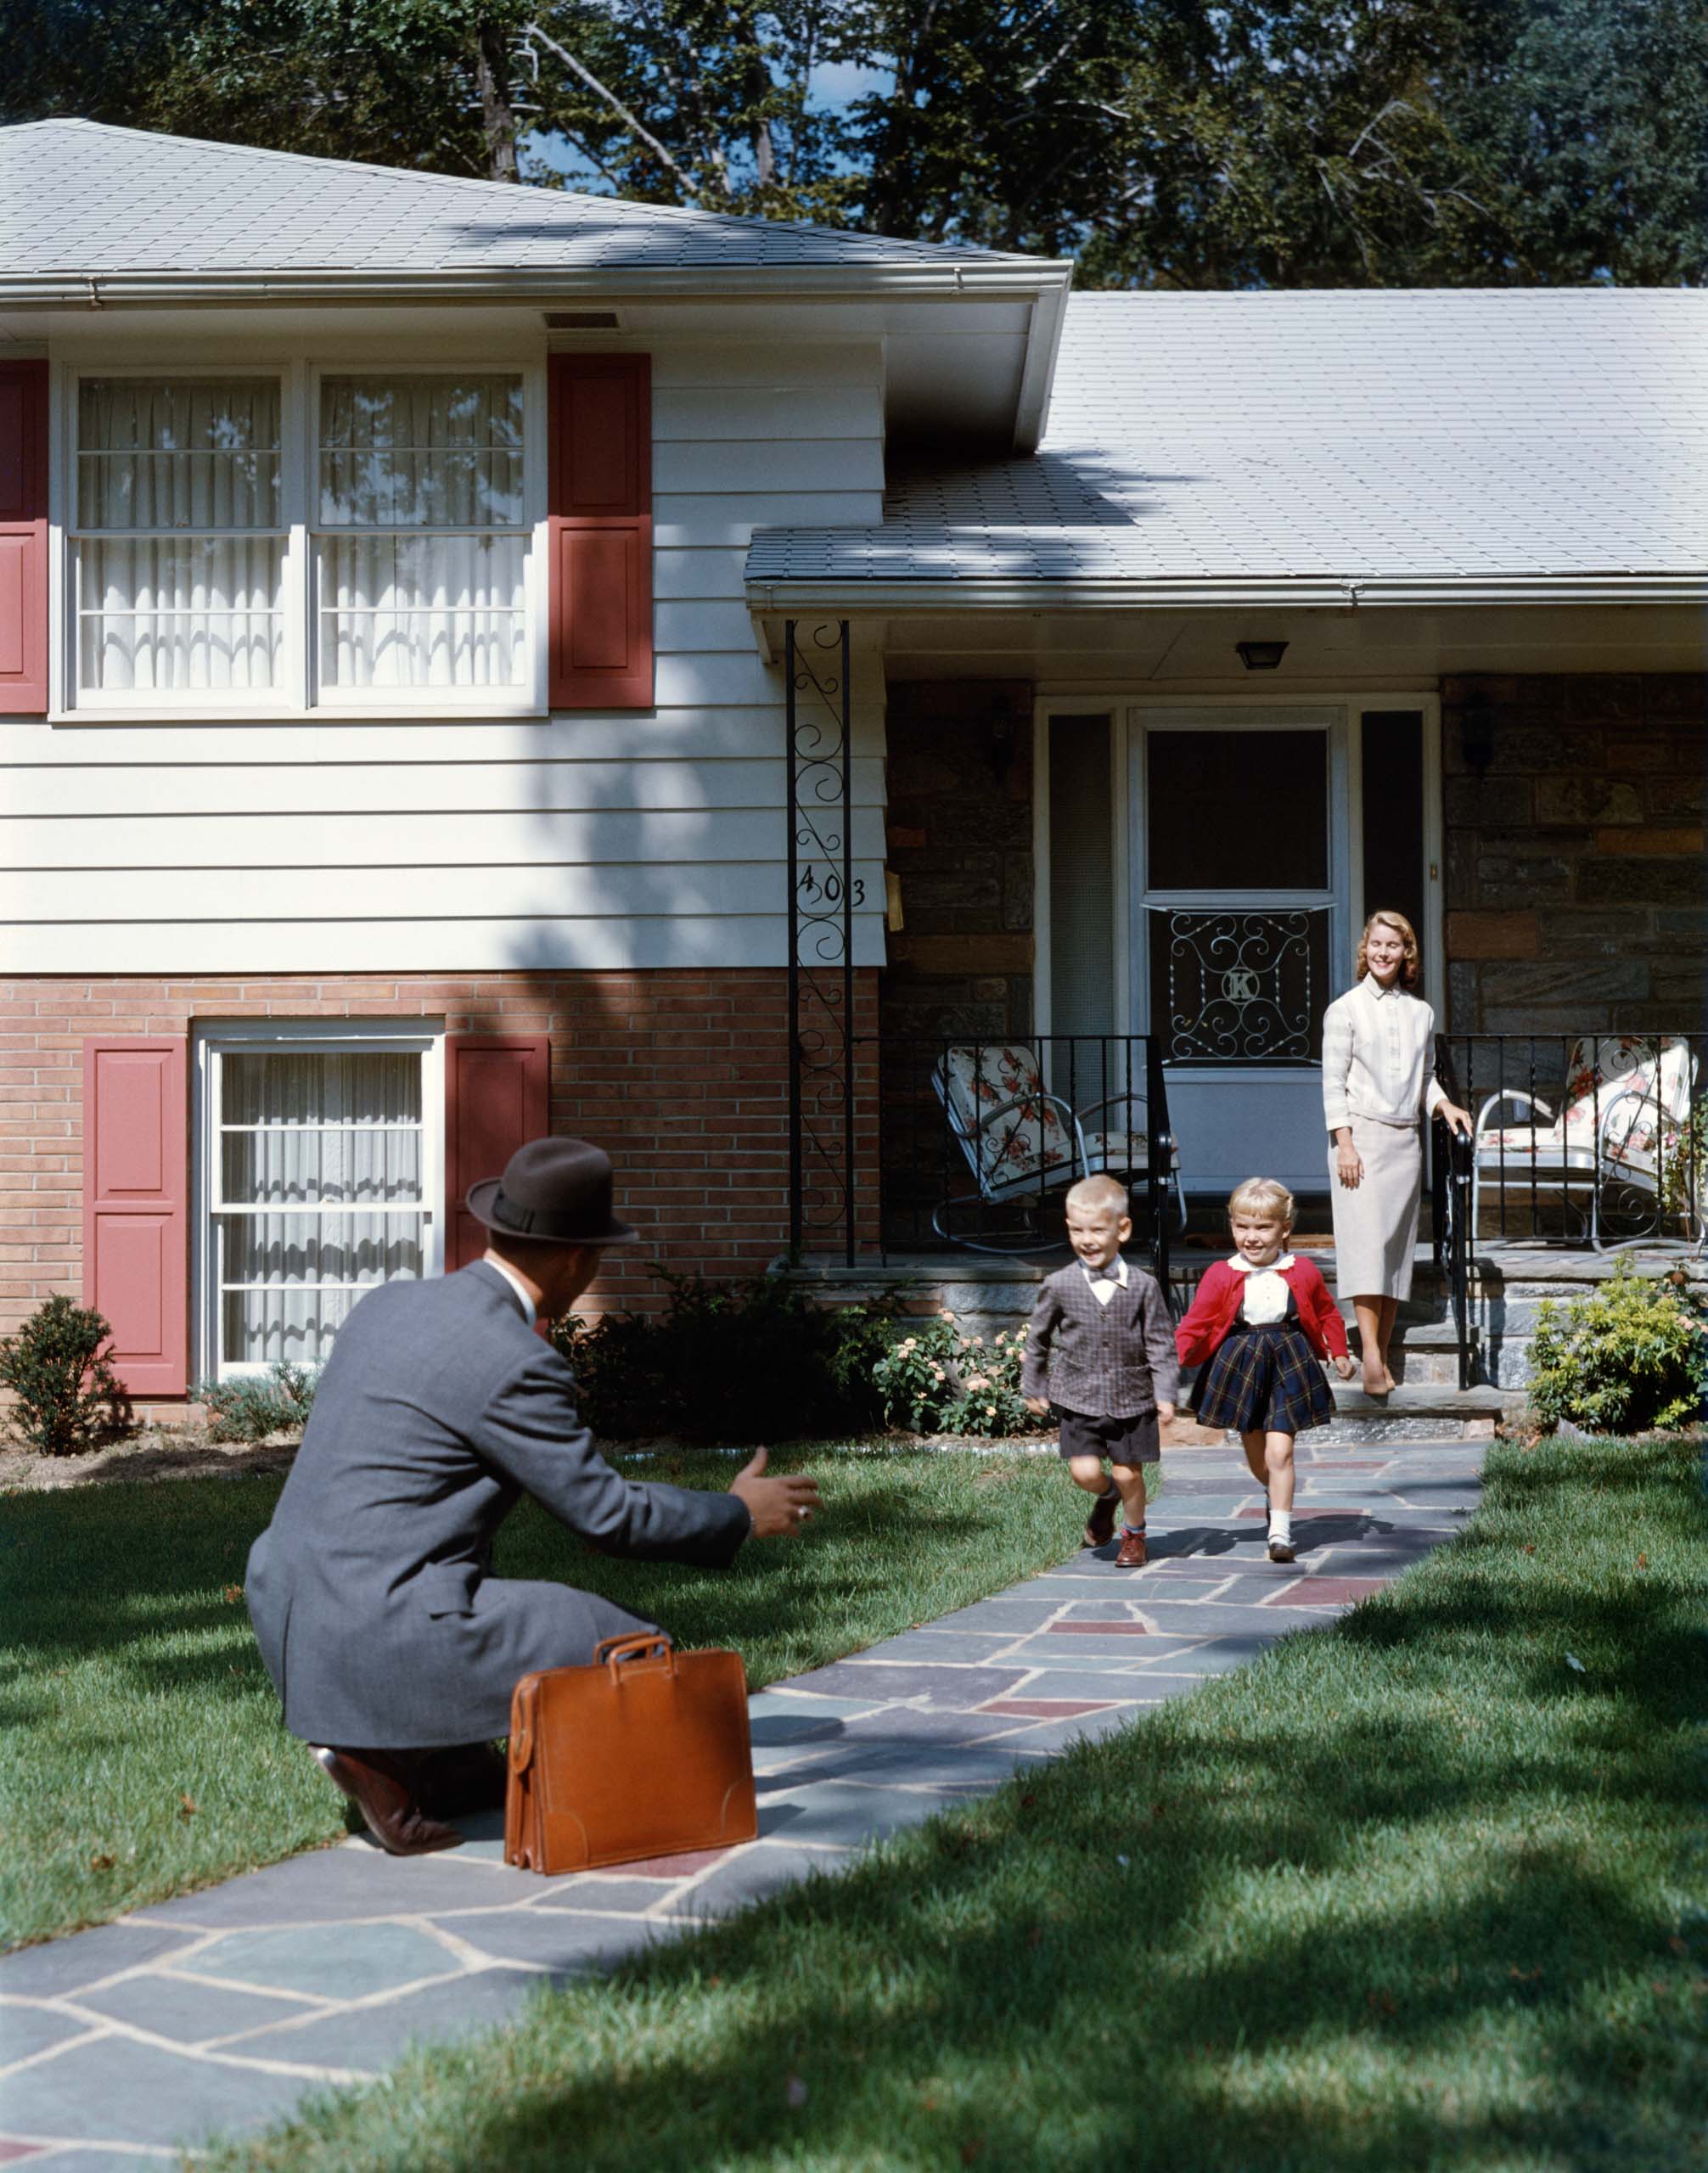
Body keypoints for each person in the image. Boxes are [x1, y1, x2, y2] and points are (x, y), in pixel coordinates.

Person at [244, 1136, 822, 1857]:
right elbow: (604, 1515)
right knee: (637, 1655)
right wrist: (738, 1514)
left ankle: (435, 1754)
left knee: (492, 1600)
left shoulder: (387, 1305)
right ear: (580, 1259)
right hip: (383, 1621)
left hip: (290, 1606)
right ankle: (378, 1760)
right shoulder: (516, 1360)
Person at [1322, 910, 1473, 1394]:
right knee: (1365, 1248)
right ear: (1364, 949)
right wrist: (1344, 1143)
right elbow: (1332, 1084)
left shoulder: (1420, 1013)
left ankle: (1379, 1352)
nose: (1384, 953)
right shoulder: (1344, 1009)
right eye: (1376, 944)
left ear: (1407, 953)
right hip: (1360, 1141)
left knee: (1391, 1253)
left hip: (1405, 1140)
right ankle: (1369, 1356)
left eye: (1394, 946)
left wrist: (1444, 1104)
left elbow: (1424, 1077)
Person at [1175, 1178, 1354, 1564]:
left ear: (1284, 1229)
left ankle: (1281, 1533)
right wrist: (1168, 1360)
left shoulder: (1302, 1270)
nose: (1251, 1237)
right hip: (1242, 1363)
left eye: (1262, 1227)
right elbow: (1196, 1322)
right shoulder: (1221, 1274)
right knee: (1259, 1458)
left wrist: (1338, 1351)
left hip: (1289, 1358)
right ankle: (1275, 1495)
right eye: (1242, 1227)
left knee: (1280, 1452)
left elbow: (1326, 1312)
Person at [1020, 1173, 1177, 1569]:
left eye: (1097, 1230)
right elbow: (1037, 1338)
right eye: (1077, 1230)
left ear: (1122, 1230)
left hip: (1131, 1398)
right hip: (1079, 1396)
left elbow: (1160, 1341)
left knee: (1129, 1474)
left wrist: (1165, 1393)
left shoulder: (1143, 1286)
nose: (1086, 1240)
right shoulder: (1060, 1285)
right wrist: (1034, 1385)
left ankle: (1135, 1535)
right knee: (1085, 1472)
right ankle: (1105, 1498)